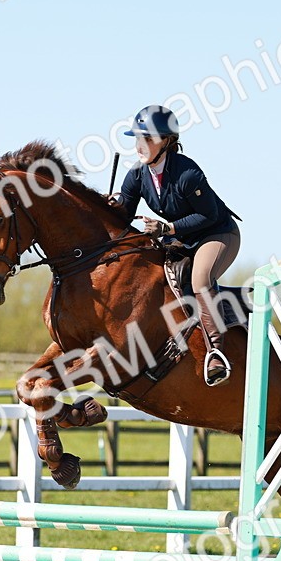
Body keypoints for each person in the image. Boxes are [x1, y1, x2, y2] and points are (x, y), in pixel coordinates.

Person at [110, 104, 241, 386]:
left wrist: (168, 228)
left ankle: (216, 352)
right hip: (182, 238)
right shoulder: (137, 175)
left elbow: (209, 215)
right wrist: (109, 207)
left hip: (217, 234)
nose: (140, 146)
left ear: (167, 141)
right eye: (137, 139)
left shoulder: (187, 172)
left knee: (200, 278)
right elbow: (124, 215)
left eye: (148, 139)